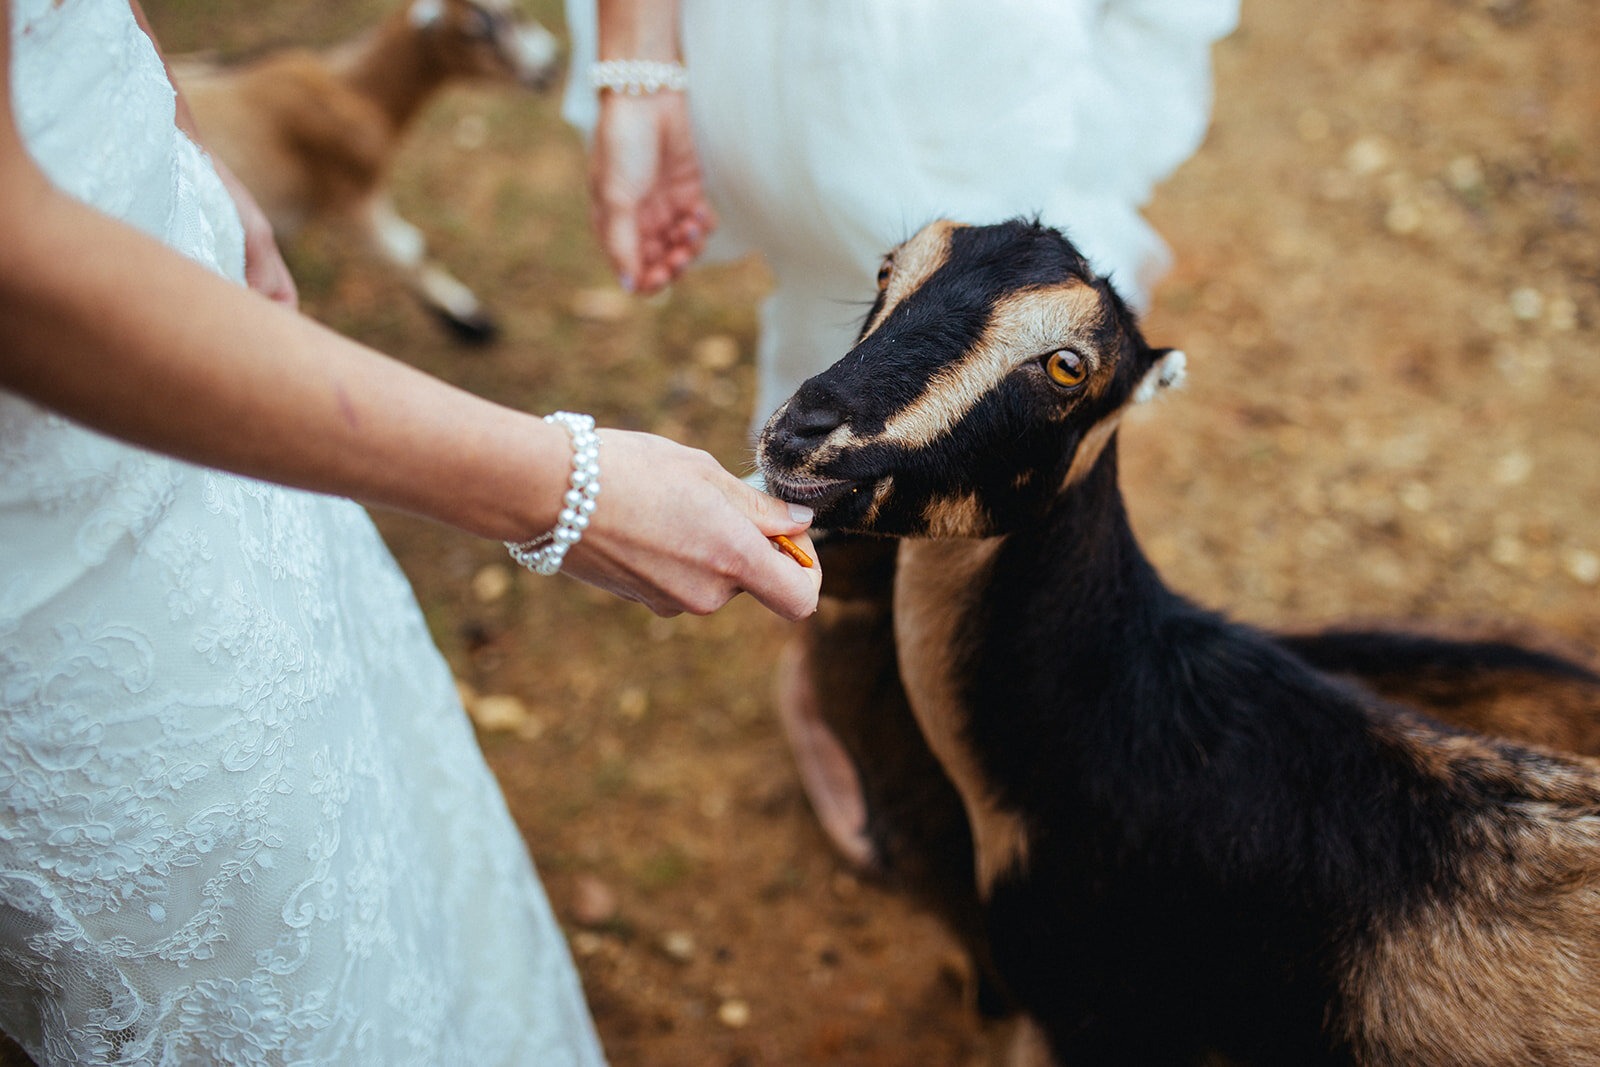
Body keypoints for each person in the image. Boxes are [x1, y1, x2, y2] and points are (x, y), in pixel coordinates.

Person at [0, 0, 820, 1062]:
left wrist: (186, 150)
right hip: (66, 547)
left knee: (383, 834)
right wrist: (563, 488)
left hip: (182, 288)